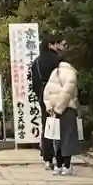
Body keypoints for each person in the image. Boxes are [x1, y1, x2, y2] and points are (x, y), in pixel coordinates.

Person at [42, 48, 81, 176]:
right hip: (67, 110)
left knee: (57, 139)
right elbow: (67, 92)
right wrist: (60, 108)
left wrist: (50, 108)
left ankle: (58, 166)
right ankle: (67, 166)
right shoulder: (71, 73)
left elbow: (46, 92)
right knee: (67, 139)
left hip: (54, 111)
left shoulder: (55, 72)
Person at [30, 36, 65, 167]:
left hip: (43, 95)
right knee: (61, 125)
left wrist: (40, 93)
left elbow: (34, 82)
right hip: (58, 95)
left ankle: (47, 158)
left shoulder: (37, 62)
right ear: (51, 45)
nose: (60, 47)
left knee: (47, 125)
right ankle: (61, 158)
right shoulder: (58, 61)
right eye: (58, 44)